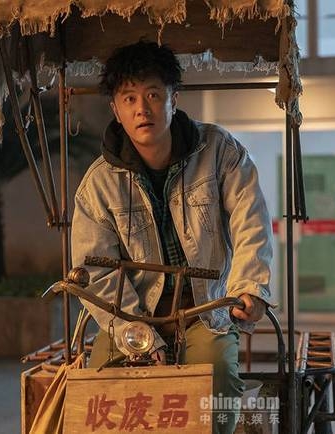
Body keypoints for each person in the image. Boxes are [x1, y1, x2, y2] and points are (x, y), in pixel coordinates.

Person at [71, 40, 273, 434]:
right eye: (129, 98)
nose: (141, 109)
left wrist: (250, 287)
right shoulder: (97, 185)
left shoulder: (219, 151)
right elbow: (94, 271)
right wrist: (138, 334)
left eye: (152, 94)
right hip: (129, 314)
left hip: (204, 309)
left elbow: (251, 221)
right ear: (115, 109)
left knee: (216, 380)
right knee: (99, 390)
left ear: (173, 99)